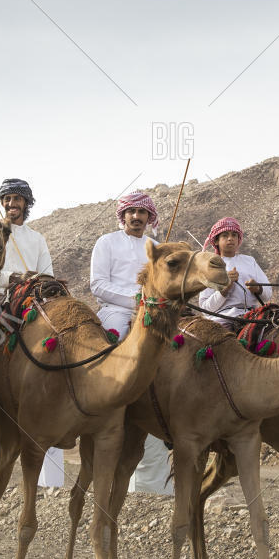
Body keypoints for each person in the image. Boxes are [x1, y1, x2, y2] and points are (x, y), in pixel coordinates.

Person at [88, 191, 172, 496]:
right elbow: (97, 284)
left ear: (150, 217)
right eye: (131, 212)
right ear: (122, 216)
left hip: (153, 313)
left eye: (142, 213)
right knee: (109, 347)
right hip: (117, 310)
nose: (136, 217)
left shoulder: (156, 248)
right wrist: (134, 300)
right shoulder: (106, 242)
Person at [0, 177, 65, 490]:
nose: (12, 205)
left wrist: (34, 281)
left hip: (31, 299)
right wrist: (11, 277)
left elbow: (47, 273)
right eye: (7, 199)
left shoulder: (36, 239)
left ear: (26, 203)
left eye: (17, 199)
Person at [197, 216, 271, 323]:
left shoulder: (249, 261)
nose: (230, 238)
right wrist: (225, 289)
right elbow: (205, 308)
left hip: (252, 317)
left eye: (234, 235)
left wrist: (258, 289)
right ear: (216, 241)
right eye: (225, 235)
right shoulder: (210, 266)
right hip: (223, 318)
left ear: (238, 239)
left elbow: (268, 295)